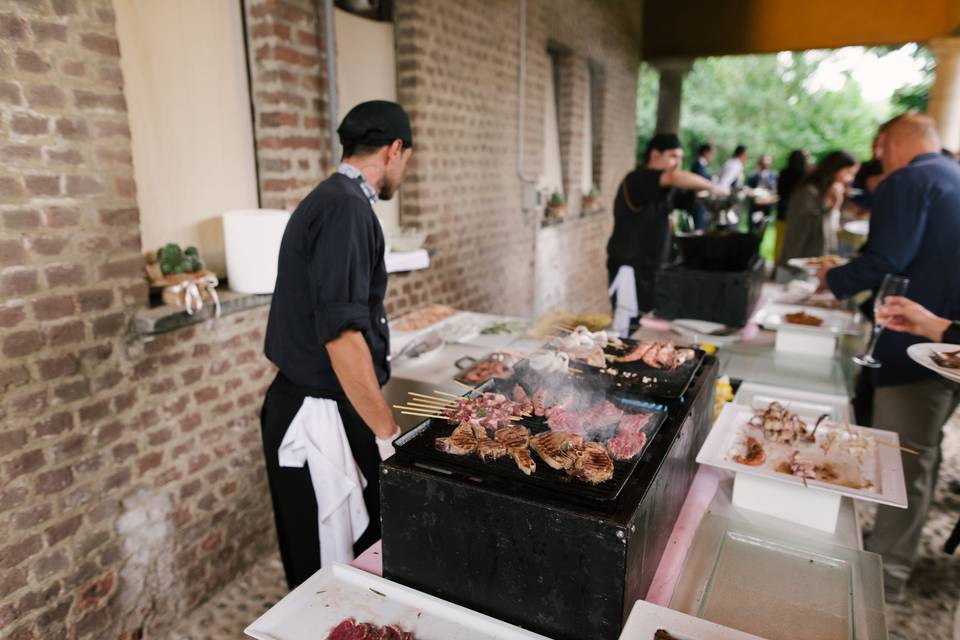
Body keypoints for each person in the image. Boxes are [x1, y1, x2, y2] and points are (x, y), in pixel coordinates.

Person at [260, 100, 413, 588]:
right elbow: (342, 338)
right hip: (316, 415)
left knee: (334, 564)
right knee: (326, 572)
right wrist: (387, 433)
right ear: (393, 150)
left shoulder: (332, 199)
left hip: (315, 401)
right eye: (406, 158)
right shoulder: (346, 208)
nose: (404, 169)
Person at [819, 114, 960, 601]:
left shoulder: (910, 179)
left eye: (880, 150)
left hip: (915, 351)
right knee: (925, 453)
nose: (880, 159)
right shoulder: (954, 176)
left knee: (902, 462)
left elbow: (887, 259)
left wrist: (833, 281)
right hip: (954, 349)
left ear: (894, 143)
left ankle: (882, 579)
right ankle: (894, 563)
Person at [607, 132, 722, 322]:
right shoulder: (637, 179)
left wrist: (706, 195)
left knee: (648, 324)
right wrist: (713, 186)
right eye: (673, 156)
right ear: (655, 155)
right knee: (628, 327)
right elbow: (674, 177)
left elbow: (685, 199)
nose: (677, 162)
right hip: (630, 270)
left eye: (680, 158)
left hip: (654, 269)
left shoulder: (666, 188)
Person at [777, 150, 858, 269]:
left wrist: (835, 206)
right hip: (800, 262)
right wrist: (830, 205)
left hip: (818, 261)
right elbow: (802, 227)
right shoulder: (808, 191)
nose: (850, 179)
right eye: (848, 173)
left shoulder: (828, 192)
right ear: (834, 169)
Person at [773, 149, 810, 263]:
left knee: (780, 240)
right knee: (795, 240)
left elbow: (779, 192)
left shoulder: (783, 173)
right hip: (798, 213)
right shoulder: (805, 175)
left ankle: (777, 264)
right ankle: (790, 264)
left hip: (783, 210)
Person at [745, 154, 777, 232]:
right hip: (754, 207)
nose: (766, 163)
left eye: (768, 160)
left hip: (767, 208)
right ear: (759, 162)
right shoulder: (753, 176)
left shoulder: (774, 176)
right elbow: (747, 190)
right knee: (752, 231)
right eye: (764, 160)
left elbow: (776, 192)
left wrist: (769, 199)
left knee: (763, 230)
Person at [686, 142, 714, 230]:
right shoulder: (698, 165)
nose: (712, 156)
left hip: (701, 202)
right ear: (706, 152)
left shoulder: (702, 165)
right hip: (697, 202)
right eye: (711, 153)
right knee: (698, 228)